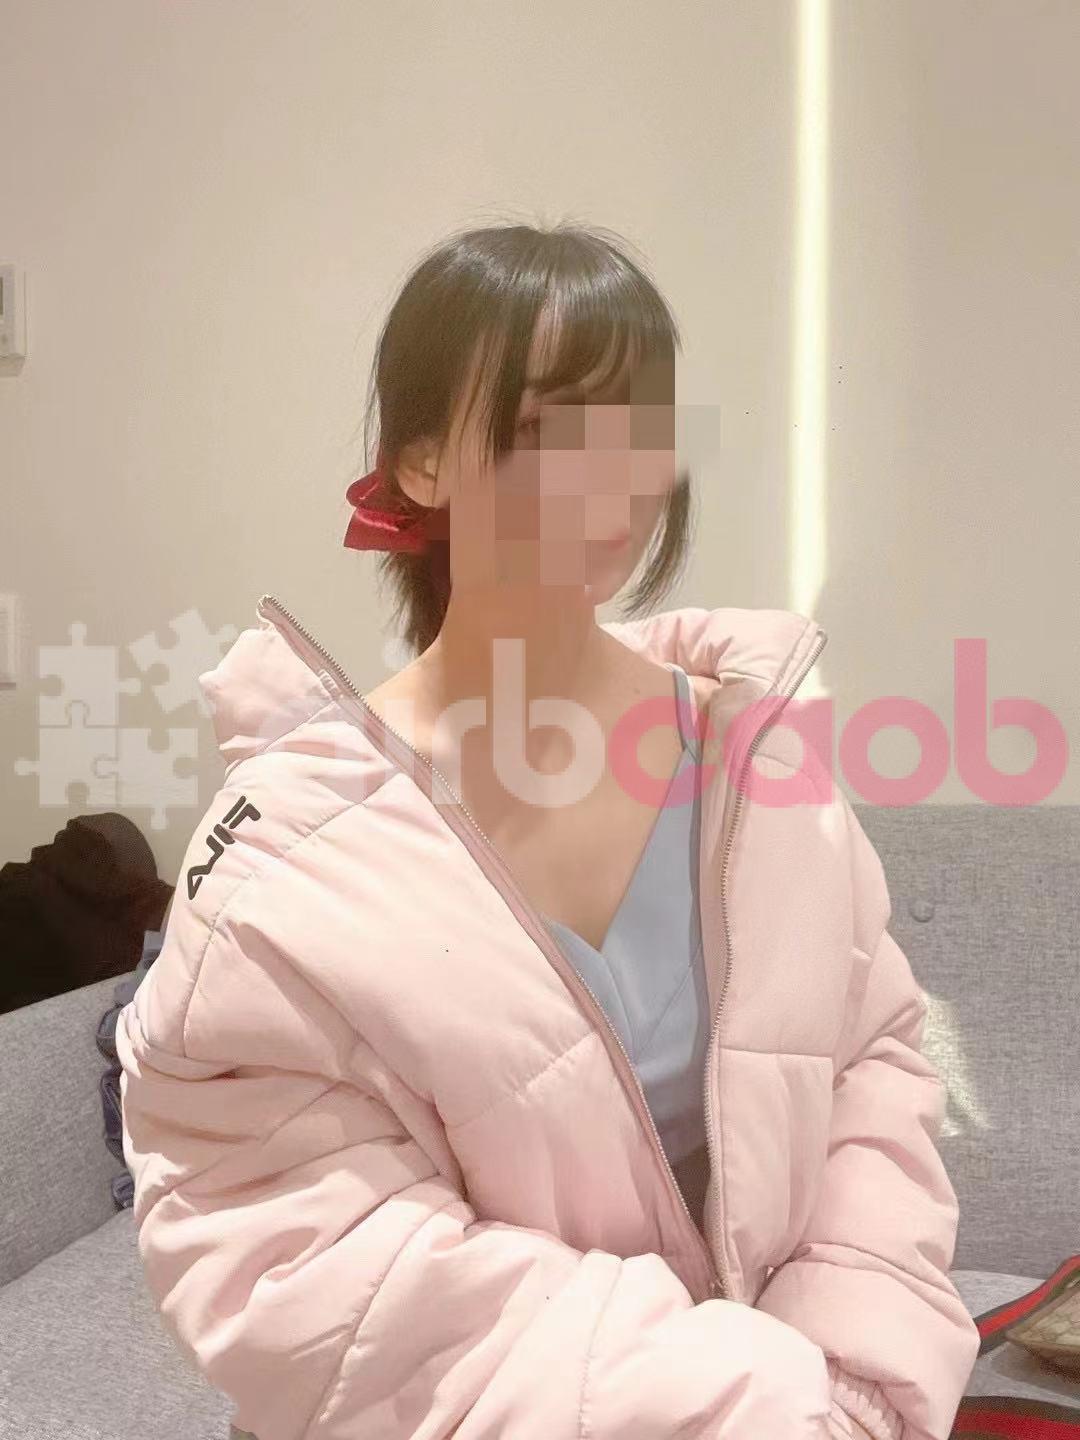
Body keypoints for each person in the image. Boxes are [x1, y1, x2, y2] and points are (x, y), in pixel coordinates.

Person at [115, 221, 979, 1440]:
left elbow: (871, 1073)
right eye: (546, 428)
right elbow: (314, 1267)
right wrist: (760, 1406)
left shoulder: (755, 756)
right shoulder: (286, 864)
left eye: (638, 425)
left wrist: (855, 1390)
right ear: (422, 461)